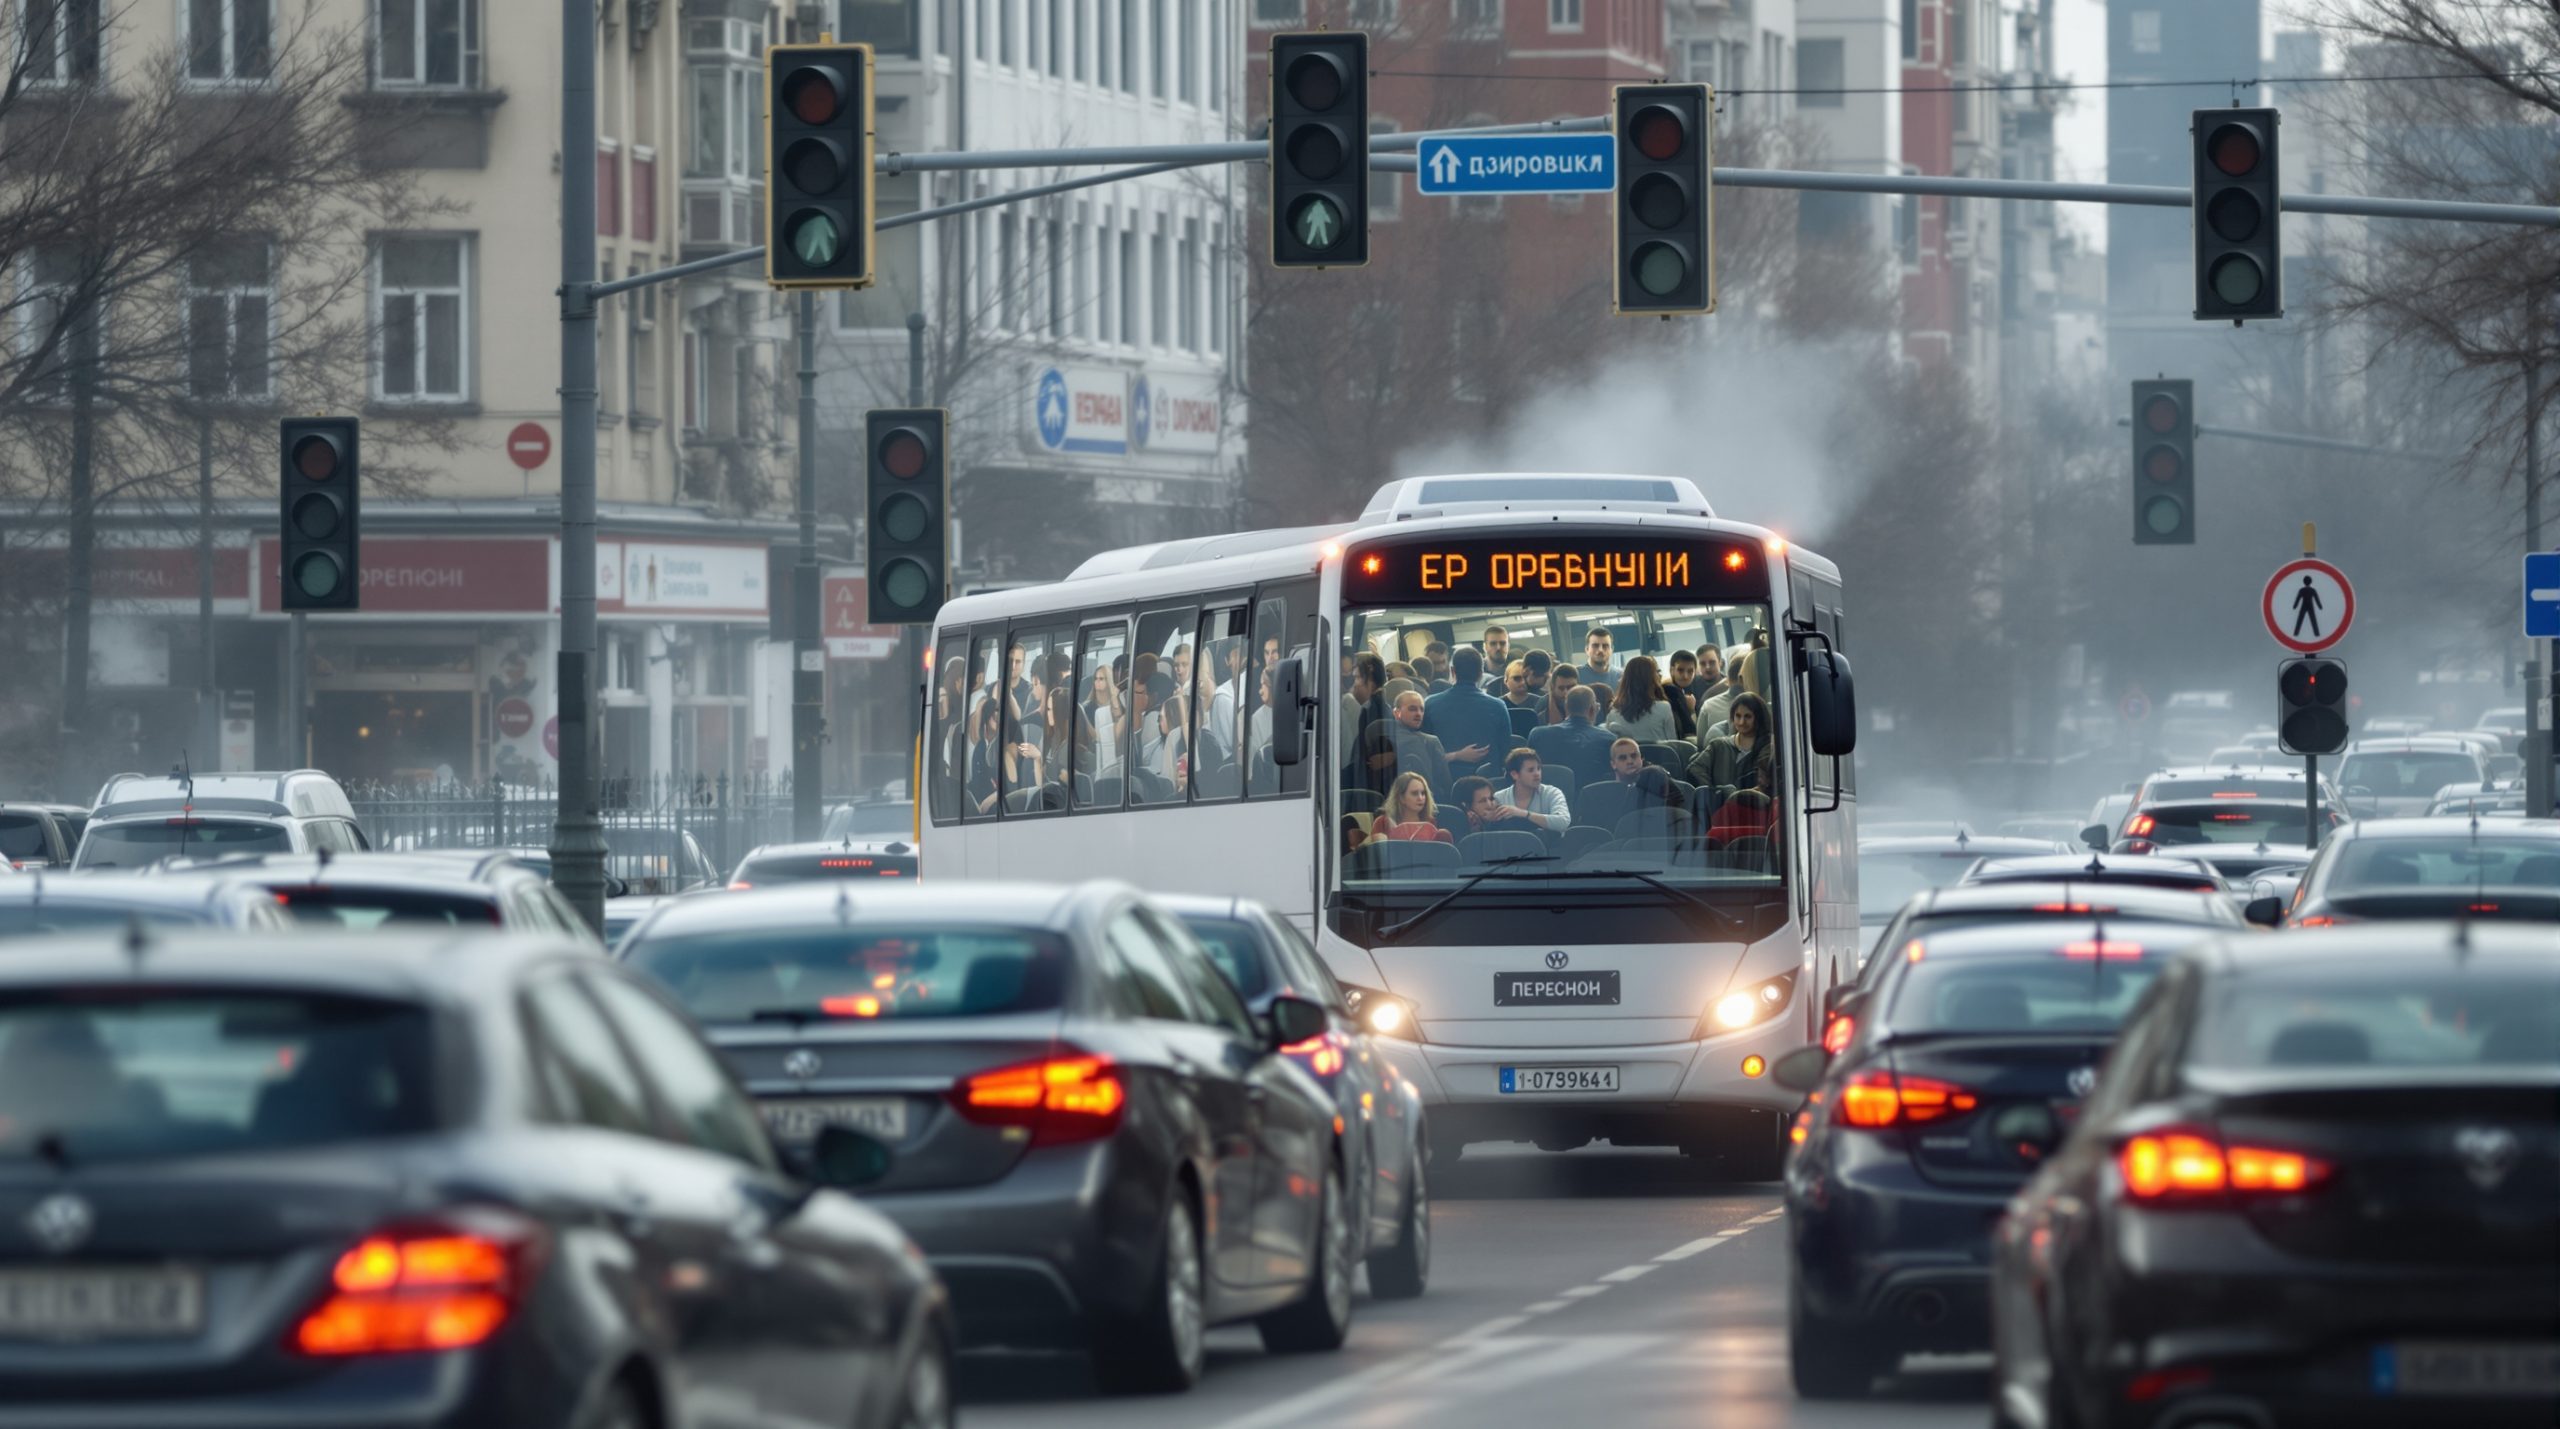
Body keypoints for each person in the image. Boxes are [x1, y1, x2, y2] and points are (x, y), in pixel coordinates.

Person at [1422, 647, 1506, 770]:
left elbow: (1425, 754)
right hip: (1488, 783)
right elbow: (1505, 753)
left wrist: (1454, 756)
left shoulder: (1430, 704)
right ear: (1481, 673)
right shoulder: (1498, 706)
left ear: (1452, 671)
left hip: (1445, 782)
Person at [1531, 685, 1616, 793]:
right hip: (1594, 803)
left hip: (1547, 802)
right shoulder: (1609, 739)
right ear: (1592, 709)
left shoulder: (1538, 735)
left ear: (1566, 708)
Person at [1688, 691, 1771, 800]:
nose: (1741, 722)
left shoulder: (1768, 748)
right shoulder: (1718, 745)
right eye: (1738, 716)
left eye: (1748, 716)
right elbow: (1695, 769)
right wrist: (1716, 793)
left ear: (1759, 718)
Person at [1385, 690, 1453, 792]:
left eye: (1421, 709)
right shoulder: (1431, 742)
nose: (1418, 714)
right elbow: (1446, 786)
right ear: (1396, 712)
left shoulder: (1378, 737)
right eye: (1412, 709)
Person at [1604, 655, 1677, 743]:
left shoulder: (1613, 713)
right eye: (1656, 673)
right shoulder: (1664, 708)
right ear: (1652, 679)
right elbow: (1673, 744)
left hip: (1629, 756)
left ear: (1626, 680)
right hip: (1659, 756)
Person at [1493, 748, 1571, 830]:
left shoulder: (1553, 793)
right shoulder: (1499, 798)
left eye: (1538, 768)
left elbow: (1563, 822)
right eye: (1531, 770)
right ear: (1514, 774)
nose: (1537, 774)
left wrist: (1525, 814)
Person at [1368, 772, 1452, 843]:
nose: (1421, 798)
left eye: (1423, 793)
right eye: (1415, 793)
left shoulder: (1430, 821)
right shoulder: (1382, 822)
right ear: (1401, 798)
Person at [1340, 651, 1389, 770]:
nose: (1354, 685)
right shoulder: (1382, 708)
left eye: (1357, 677)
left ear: (1370, 679)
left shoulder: (1370, 712)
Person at [1664, 650, 1702, 740]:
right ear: (1671, 670)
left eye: (1690, 671)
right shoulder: (1671, 691)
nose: (1685, 676)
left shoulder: (1685, 690)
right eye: (1680, 670)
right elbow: (1691, 730)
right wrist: (1691, 710)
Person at [1581, 628, 1620, 704]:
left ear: (1612, 649)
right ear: (1587, 649)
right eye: (1595, 645)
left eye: (1605, 646)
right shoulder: (1575, 676)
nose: (1600, 650)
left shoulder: (1622, 677)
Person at [1543, 663, 1580, 728]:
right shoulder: (1543, 703)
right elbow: (1556, 728)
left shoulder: (1586, 700)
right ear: (1553, 688)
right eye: (1561, 688)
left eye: (1570, 687)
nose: (1566, 692)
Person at [1479, 627, 1512, 691]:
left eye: (1503, 643)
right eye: (1493, 644)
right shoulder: (1476, 673)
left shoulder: (1516, 671)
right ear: (1485, 646)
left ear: (1508, 646)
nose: (1498, 647)